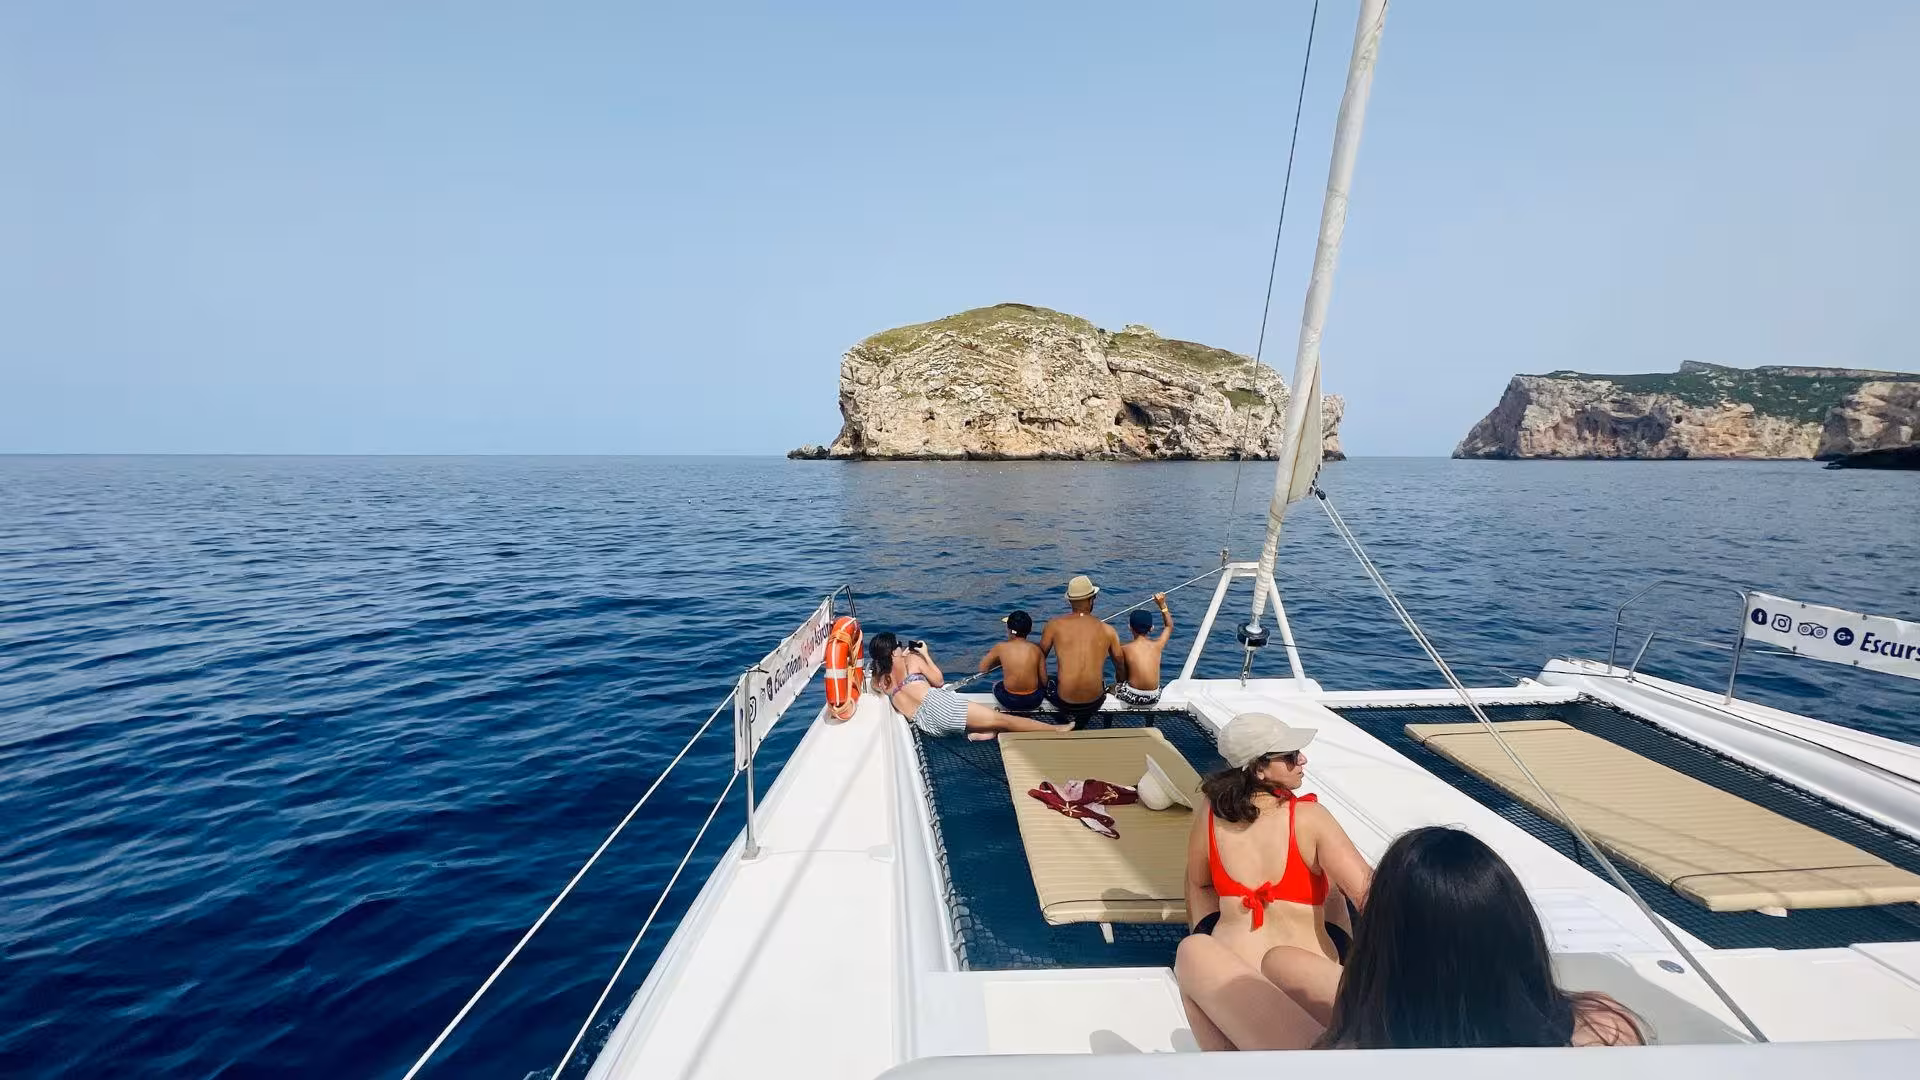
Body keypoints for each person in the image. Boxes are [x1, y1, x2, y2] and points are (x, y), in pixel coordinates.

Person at [1267, 825, 1643, 1049]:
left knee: (1240, 962)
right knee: (1281, 961)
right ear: (1516, 929)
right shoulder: (1607, 1025)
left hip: (1388, 1031)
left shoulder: (1351, 1056)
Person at [1173, 712, 1373, 1052]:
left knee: (1193, 944)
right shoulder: (1309, 818)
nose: (1302, 759)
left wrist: (1206, 934)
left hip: (1235, 981)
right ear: (1259, 769)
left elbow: (1199, 884)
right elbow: (1371, 897)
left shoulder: (1211, 812)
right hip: (1303, 985)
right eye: (1291, 755)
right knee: (1332, 887)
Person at [868, 632, 1068, 740]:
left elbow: (879, 677)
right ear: (894, 651)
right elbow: (938, 681)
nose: (902, 646)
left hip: (927, 724)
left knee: (986, 721)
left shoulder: (881, 681)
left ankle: (986, 734)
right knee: (1004, 719)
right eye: (899, 644)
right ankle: (1055, 730)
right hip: (939, 706)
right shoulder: (911, 660)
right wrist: (925, 655)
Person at [1039, 575, 1126, 722]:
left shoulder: (1053, 626)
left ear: (1070, 601)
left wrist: (1042, 683)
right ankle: (1078, 725)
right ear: (1091, 599)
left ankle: (1066, 725)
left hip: (1064, 701)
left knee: (1051, 681)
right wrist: (1120, 684)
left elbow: (1039, 658)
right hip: (1094, 701)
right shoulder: (1108, 630)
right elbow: (1119, 663)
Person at [979, 610, 1047, 713]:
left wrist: (999, 661)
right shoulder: (1036, 649)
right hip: (1033, 701)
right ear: (1029, 630)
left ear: (1009, 630)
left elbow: (983, 669)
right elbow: (1044, 681)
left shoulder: (1000, 647)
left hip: (1010, 701)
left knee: (997, 685)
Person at [1114, 593, 1174, 706]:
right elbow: (1169, 626)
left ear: (1129, 627)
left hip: (1133, 696)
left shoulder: (1124, 649)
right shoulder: (1158, 646)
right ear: (1152, 628)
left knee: (1113, 686)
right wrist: (1162, 604)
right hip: (1154, 697)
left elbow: (1120, 672)